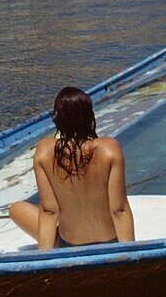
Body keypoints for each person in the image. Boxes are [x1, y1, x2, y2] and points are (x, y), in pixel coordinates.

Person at [9, 86, 135, 249]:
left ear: (57, 118)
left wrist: (45, 261)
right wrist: (130, 256)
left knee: (16, 208)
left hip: (69, 245)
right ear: (90, 116)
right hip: (111, 242)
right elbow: (119, 210)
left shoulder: (45, 150)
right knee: (18, 208)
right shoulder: (109, 148)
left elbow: (49, 211)